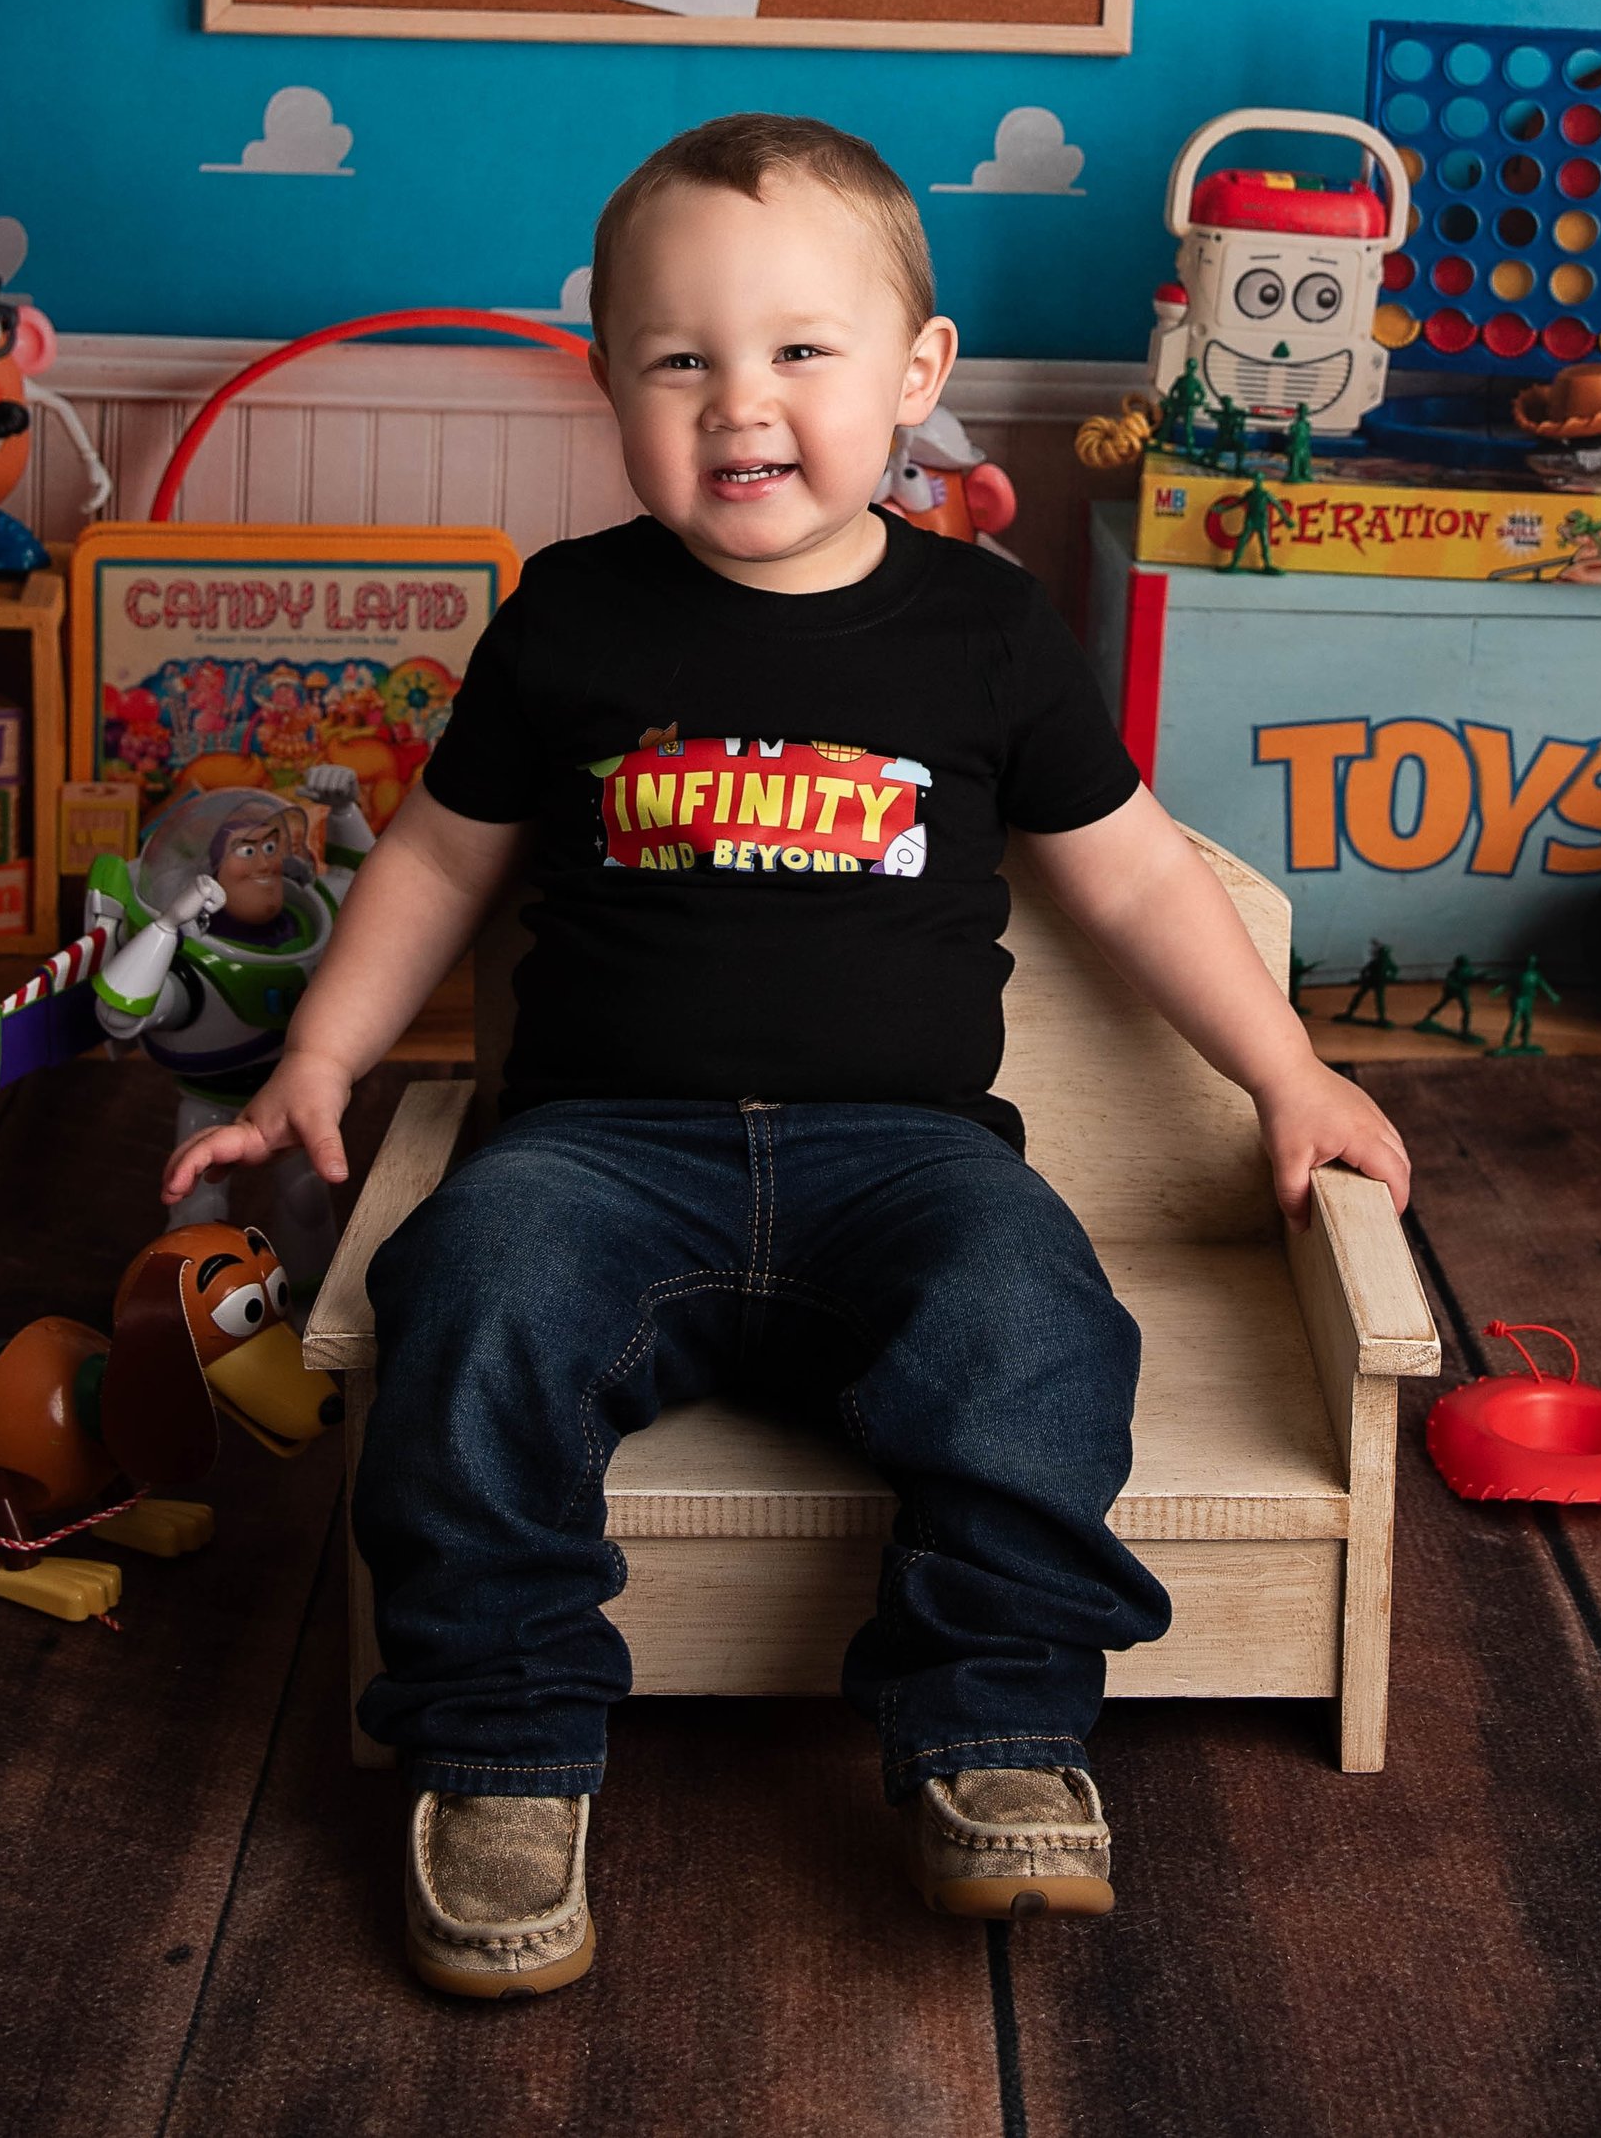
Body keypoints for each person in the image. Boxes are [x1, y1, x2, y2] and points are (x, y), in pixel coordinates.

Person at [160, 115, 1408, 2001]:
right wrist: (318, 1056)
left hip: (903, 1161)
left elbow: (1144, 878)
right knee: (471, 1297)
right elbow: (434, 854)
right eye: (680, 359)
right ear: (610, 387)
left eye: (802, 352)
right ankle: (500, 1743)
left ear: (918, 376)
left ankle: (996, 1722)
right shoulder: (572, 615)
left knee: (1038, 1313)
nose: (741, 403)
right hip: (601, 1152)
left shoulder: (983, 629)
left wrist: (1284, 1071)